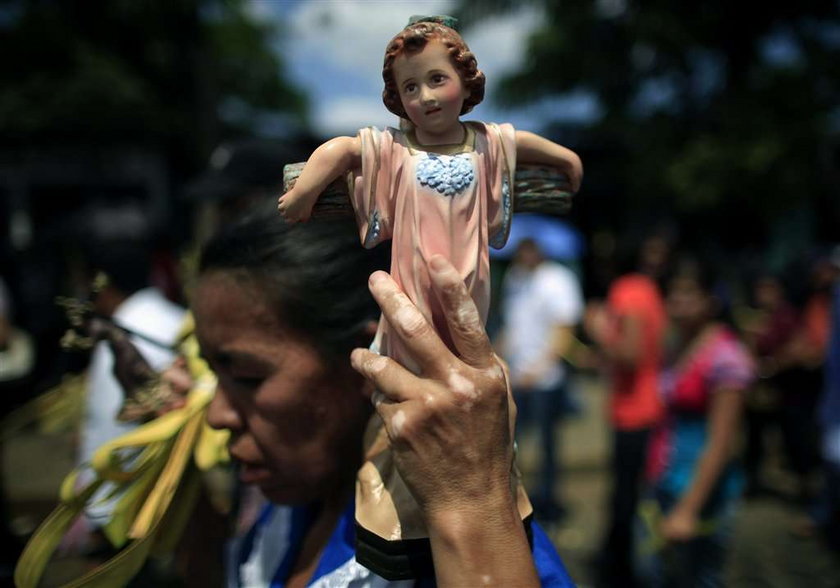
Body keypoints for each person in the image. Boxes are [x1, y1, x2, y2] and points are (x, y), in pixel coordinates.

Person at [193, 209, 575, 586]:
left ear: (368, 358)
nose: (217, 415)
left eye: (247, 377)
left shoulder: (472, 546)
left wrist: (474, 501)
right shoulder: (285, 517)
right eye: (213, 374)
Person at [639, 257, 755, 587]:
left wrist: (689, 509)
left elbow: (723, 442)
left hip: (703, 492)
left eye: (688, 293)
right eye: (673, 292)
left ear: (711, 301)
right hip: (665, 479)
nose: (676, 300)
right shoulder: (677, 343)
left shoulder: (727, 358)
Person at [75, 234, 186, 550]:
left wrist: (97, 508)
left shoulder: (124, 334)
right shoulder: (174, 318)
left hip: (128, 503)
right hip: (163, 499)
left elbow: (111, 428)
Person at [585, 235, 669, 587]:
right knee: (633, 495)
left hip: (634, 411)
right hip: (650, 405)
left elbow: (631, 353)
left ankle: (623, 572)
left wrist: (597, 329)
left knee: (626, 499)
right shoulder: (649, 289)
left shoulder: (627, 290)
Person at [497, 238, 584, 522]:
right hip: (518, 374)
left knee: (548, 444)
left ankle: (548, 502)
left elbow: (565, 329)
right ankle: (513, 498)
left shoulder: (558, 280)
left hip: (546, 379)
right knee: (511, 440)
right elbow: (513, 326)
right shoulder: (516, 278)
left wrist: (540, 368)